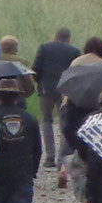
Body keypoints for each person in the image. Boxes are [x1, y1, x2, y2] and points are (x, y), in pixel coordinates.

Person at [32, 28, 80, 168]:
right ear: (69, 38)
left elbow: (35, 69)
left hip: (46, 89)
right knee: (64, 122)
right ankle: (62, 158)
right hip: (66, 90)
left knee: (47, 120)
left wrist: (39, 80)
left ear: (55, 35)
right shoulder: (74, 51)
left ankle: (49, 157)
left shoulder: (44, 47)